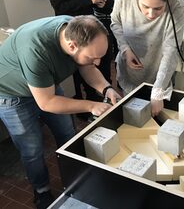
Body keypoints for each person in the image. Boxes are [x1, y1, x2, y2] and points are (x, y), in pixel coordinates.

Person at [0, 15, 122, 209]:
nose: (98, 63)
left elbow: (87, 66)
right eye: (93, 57)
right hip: (12, 94)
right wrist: (90, 105)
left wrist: (106, 88)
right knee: (32, 149)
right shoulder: (36, 49)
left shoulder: (76, 28)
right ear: (72, 46)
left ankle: (76, 180)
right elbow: (47, 103)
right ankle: (42, 191)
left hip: (44, 85)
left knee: (67, 134)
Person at [111, 0, 184, 116]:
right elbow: (115, 23)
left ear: (167, 0)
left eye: (158, 8)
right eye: (145, 6)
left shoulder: (176, 5)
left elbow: (171, 48)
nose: (151, 14)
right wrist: (125, 49)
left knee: (158, 117)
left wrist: (158, 90)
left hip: (158, 70)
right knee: (132, 114)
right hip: (130, 69)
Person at [44, 0, 107, 106]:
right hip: (70, 28)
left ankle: (94, 96)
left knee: (90, 64)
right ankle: (81, 103)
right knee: (76, 69)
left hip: (87, 23)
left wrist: (94, 0)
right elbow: (60, 7)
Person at [90, 0, 131, 84]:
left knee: (121, 50)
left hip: (120, 20)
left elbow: (128, 0)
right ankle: (106, 84)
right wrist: (107, 4)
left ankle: (122, 81)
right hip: (102, 21)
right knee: (105, 54)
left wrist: (109, 3)